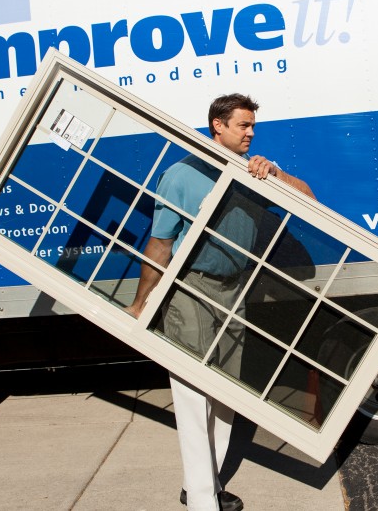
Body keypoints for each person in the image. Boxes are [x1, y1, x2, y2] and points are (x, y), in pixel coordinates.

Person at [125, 93, 313, 511]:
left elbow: (310, 201)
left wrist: (275, 172)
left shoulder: (252, 172)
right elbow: (160, 245)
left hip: (234, 290)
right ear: (218, 126)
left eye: (252, 126)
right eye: (243, 125)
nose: (251, 133)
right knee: (193, 395)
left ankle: (206, 483)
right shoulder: (181, 175)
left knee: (227, 394)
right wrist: (140, 303)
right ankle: (202, 501)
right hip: (190, 289)